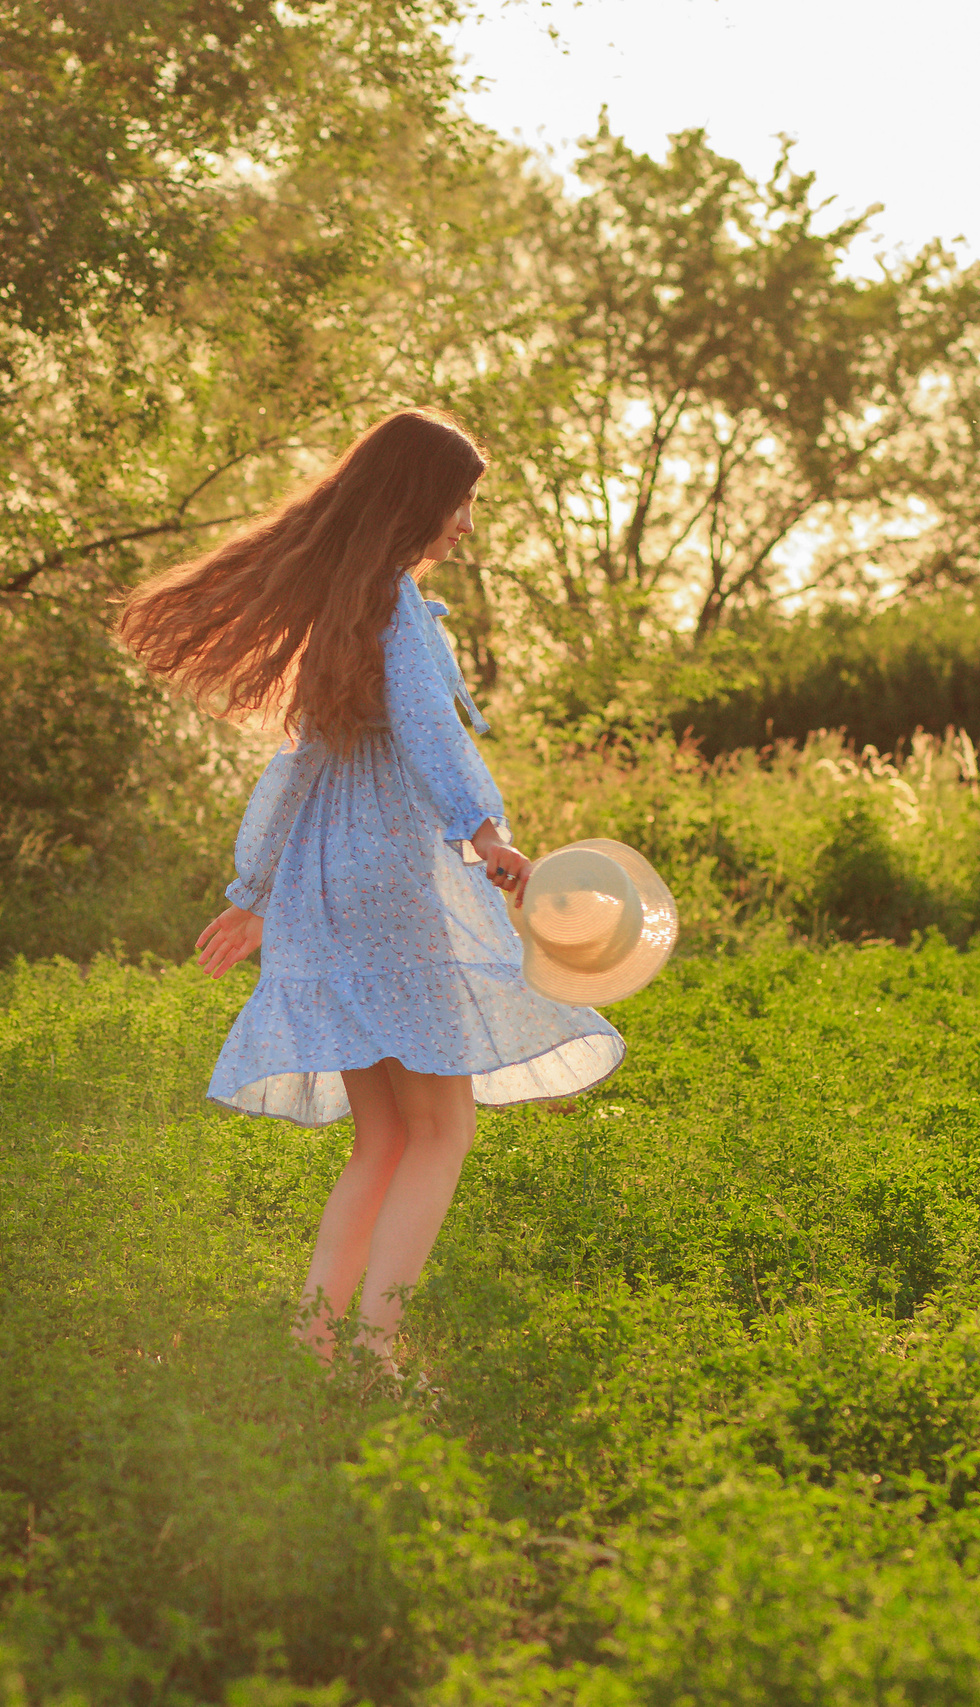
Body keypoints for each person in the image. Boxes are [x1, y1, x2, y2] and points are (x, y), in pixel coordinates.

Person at [113, 408, 623, 1372]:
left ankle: (315, 1345)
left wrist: (260, 890)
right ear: (417, 500)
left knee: (383, 1137)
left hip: (326, 881)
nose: (466, 523)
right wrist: (486, 833)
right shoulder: (394, 603)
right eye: (461, 502)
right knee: (442, 1130)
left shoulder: (345, 607)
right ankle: (377, 1353)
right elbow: (432, 732)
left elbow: (297, 765)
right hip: (391, 875)